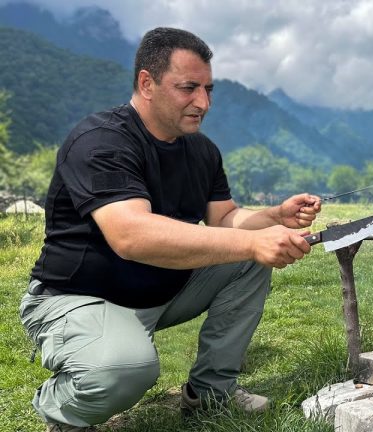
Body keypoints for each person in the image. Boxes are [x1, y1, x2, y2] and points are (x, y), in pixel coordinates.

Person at [19, 27, 321, 431]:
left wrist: (274, 217)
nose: (204, 102)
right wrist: (252, 242)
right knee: (126, 370)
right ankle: (63, 411)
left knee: (245, 262)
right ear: (147, 83)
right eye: (189, 88)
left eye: (209, 89)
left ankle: (210, 393)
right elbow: (132, 235)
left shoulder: (201, 150)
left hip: (160, 291)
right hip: (79, 298)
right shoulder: (101, 141)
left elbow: (224, 218)